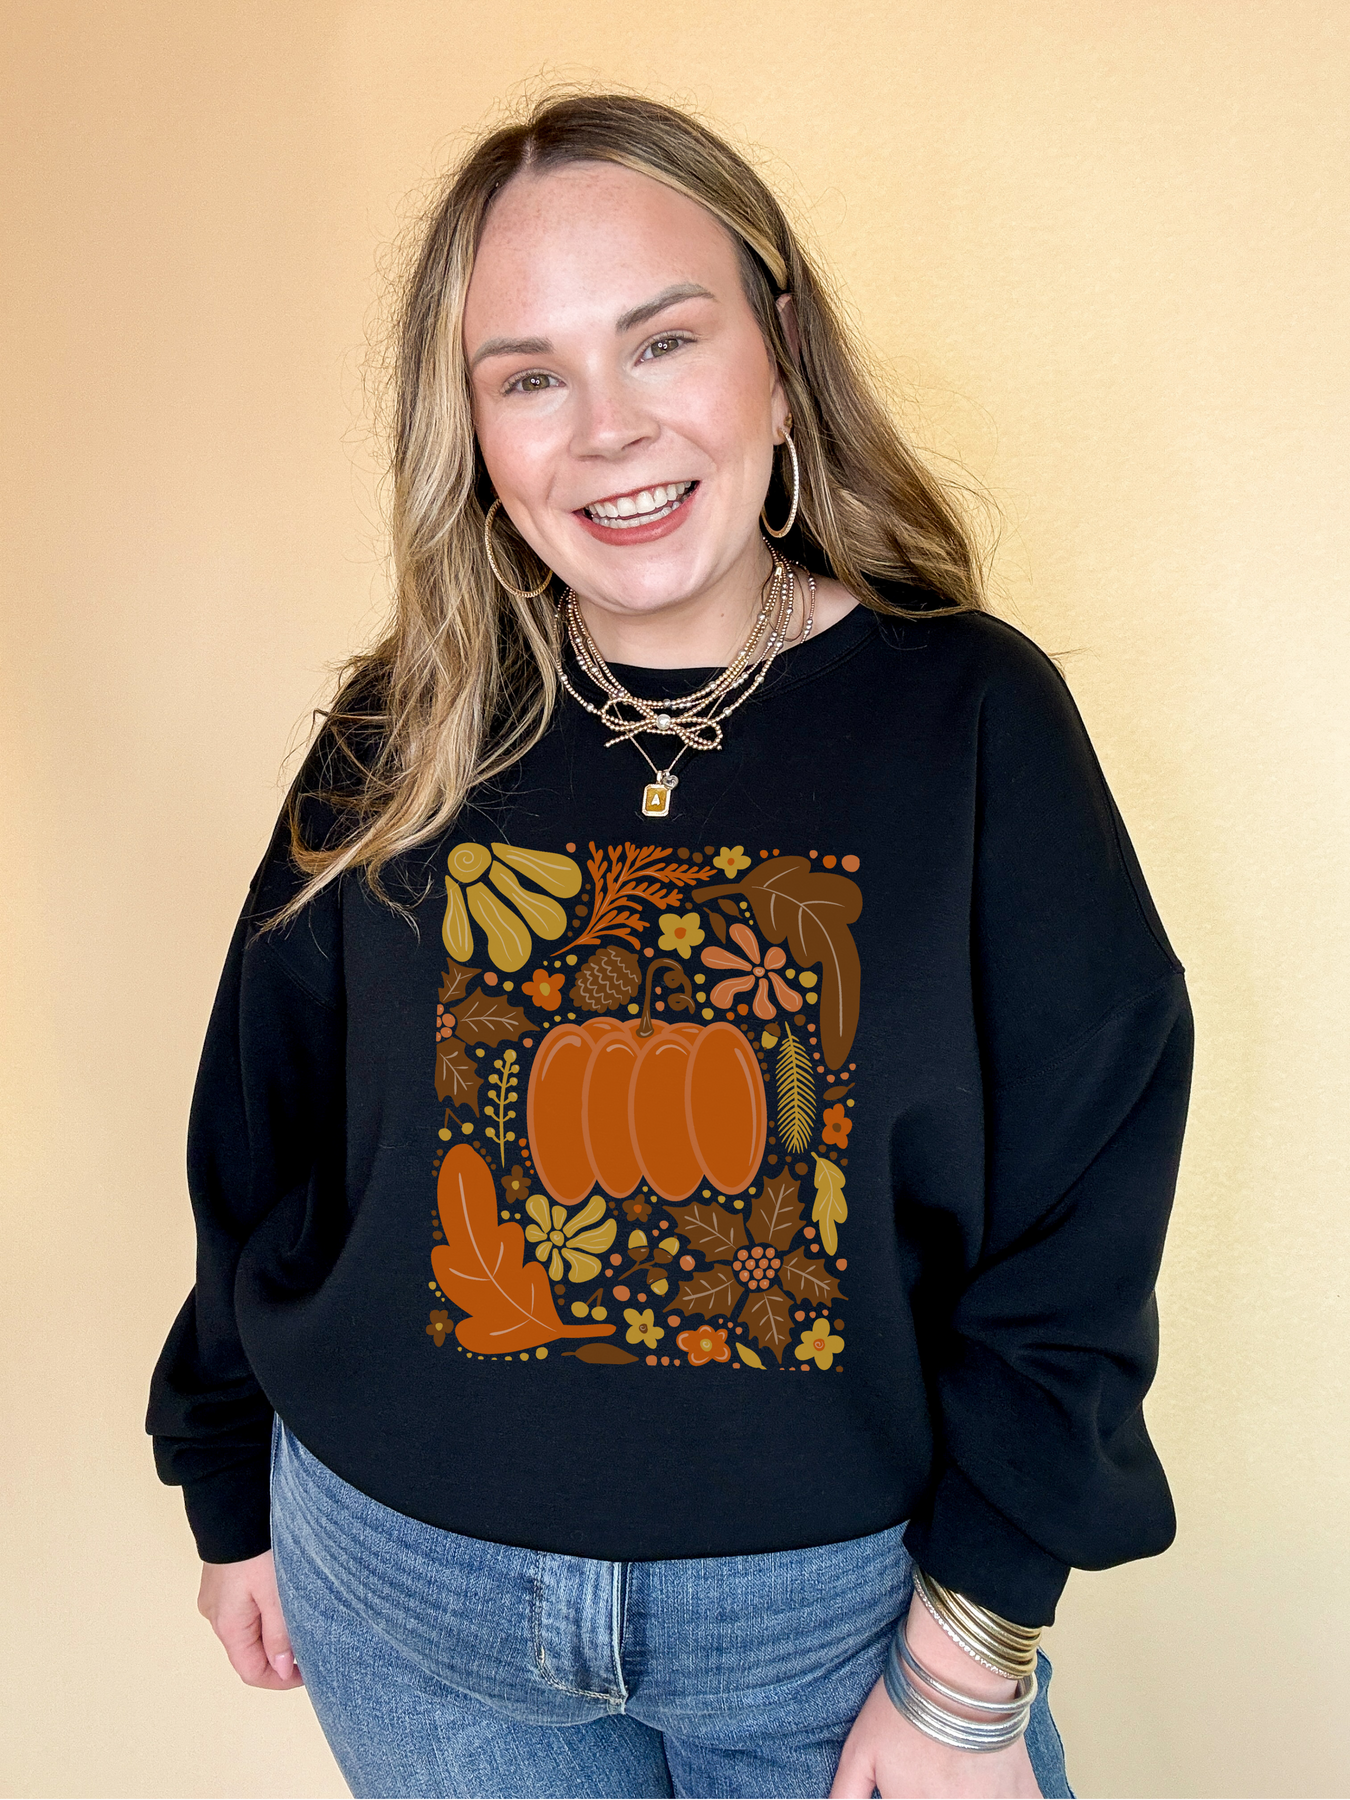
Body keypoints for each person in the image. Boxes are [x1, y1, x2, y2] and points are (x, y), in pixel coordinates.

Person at [147, 92, 1192, 1800]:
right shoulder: (403, 729)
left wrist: (969, 1661)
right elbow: (261, 1130)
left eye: (663, 341)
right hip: (403, 1598)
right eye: (529, 377)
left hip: (830, 1633)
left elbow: (1084, 1201)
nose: (606, 431)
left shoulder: (969, 721)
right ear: (472, 431)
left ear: (779, 352)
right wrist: (224, 1479)